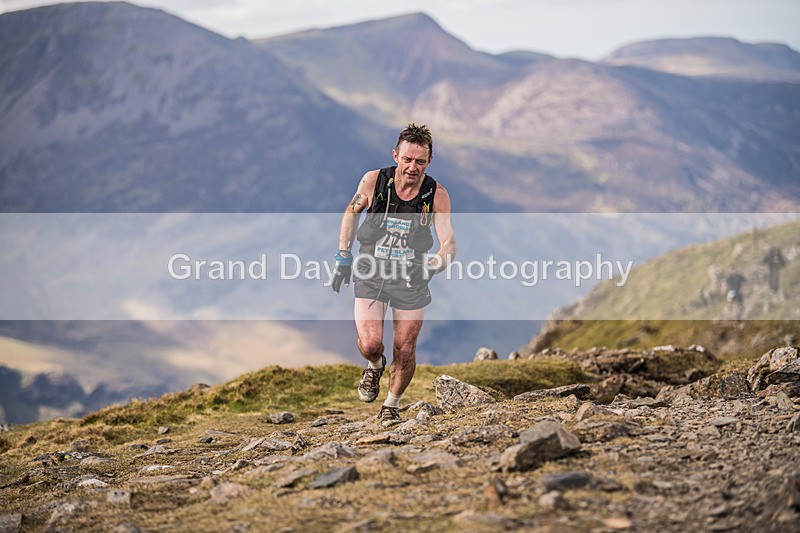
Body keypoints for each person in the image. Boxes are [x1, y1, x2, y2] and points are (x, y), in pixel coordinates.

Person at [330, 124, 456, 427]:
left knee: (405, 347)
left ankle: (391, 404)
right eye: (407, 159)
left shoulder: (435, 195)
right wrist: (343, 255)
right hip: (371, 271)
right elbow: (352, 212)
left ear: (429, 161)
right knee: (372, 342)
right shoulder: (374, 181)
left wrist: (433, 265)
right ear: (396, 155)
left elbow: (449, 244)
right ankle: (374, 365)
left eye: (420, 162)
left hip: (411, 277)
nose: (413, 167)